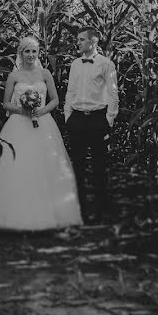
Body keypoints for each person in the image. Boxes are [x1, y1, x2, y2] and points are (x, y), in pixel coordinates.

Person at [0, 36, 83, 231]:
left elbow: (55, 100)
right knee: (17, 165)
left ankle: (50, 215)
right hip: (18, 124)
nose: (31, 55)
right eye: (27, 51)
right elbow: (6, 103)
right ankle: (14, 216)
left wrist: (41, 110)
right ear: (21, 53)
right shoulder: (14, 77)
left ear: (38, 53)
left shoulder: (45, 74)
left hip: (43, 124)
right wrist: (22, 110)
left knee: (45, 166)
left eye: (34, 51)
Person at [64, 26, 119, 223]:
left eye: (81, 40)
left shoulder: (106, 64)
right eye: (78, 39)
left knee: (99, 166)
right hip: (77, 119)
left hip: (97, 119)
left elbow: (113, 94)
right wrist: (68, 116)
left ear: (92, 42)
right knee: (77, 165)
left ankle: (101, 210)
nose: (78, 43)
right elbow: (70, 91)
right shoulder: (75, 64)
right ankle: (80, 209)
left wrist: (109, 120)